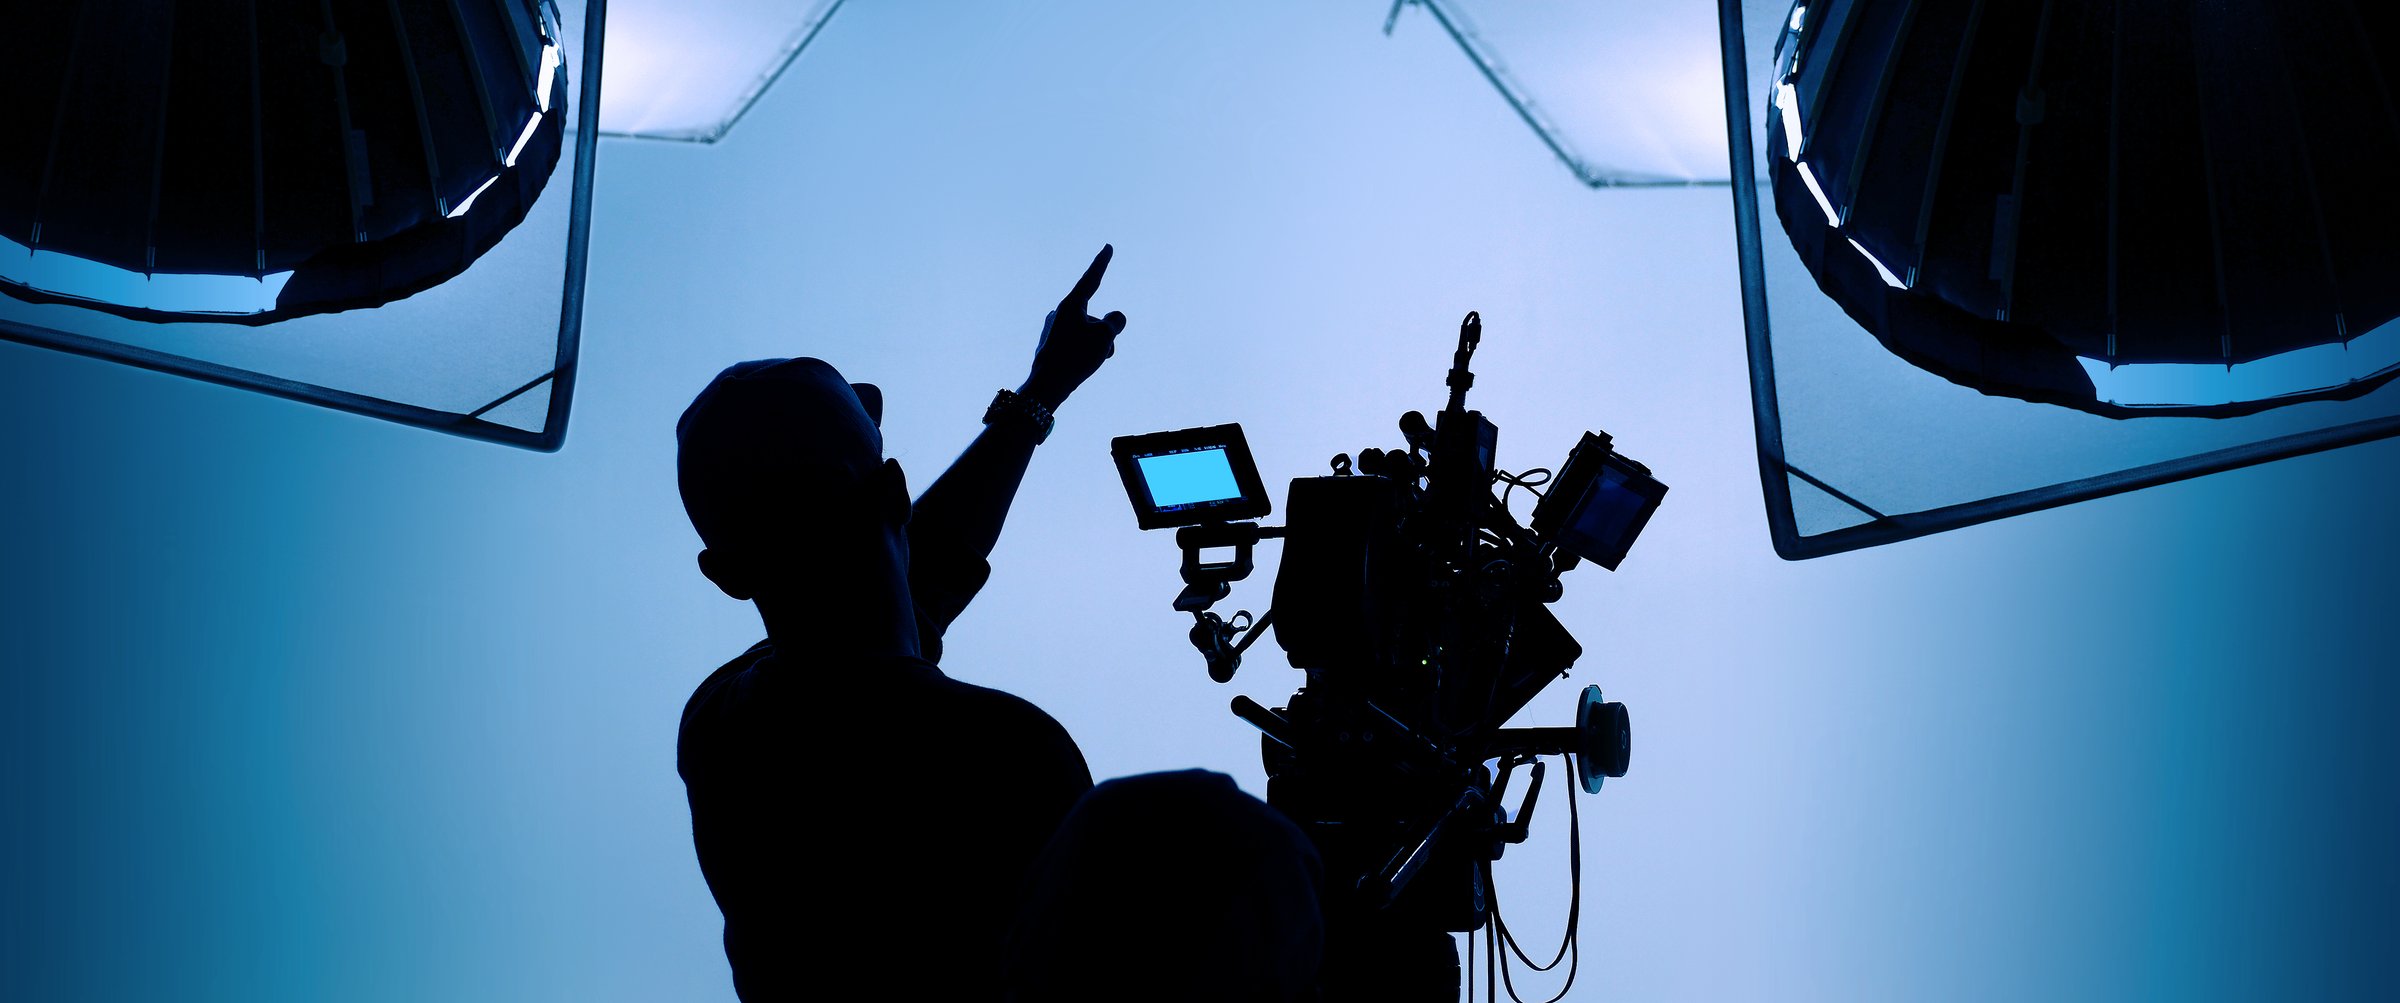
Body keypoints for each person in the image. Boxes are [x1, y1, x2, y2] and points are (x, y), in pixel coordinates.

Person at [674, 246, 1323, 1001]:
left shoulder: (721, 726)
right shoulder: (1006, 753)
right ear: (895, 494)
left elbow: (906, 580)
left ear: (724, 574)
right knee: (1215, 834)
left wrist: (1041, 393)